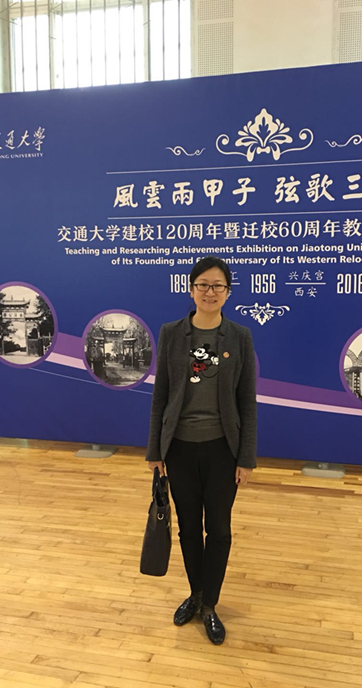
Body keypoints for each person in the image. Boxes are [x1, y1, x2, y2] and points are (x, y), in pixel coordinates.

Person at [145, 256, 257, 646]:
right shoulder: (171, 333)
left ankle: (210, 604)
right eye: (203, 285)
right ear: (191, 289)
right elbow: (160, 395)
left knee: (219, 530)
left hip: (222, 450)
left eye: (218, 286)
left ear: (228, 292)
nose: (210, 292)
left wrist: (246, 457)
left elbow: (247, 403)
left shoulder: (239, 336)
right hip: (178, 448)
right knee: (189, 528)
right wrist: (155, 450)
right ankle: (195, 594)